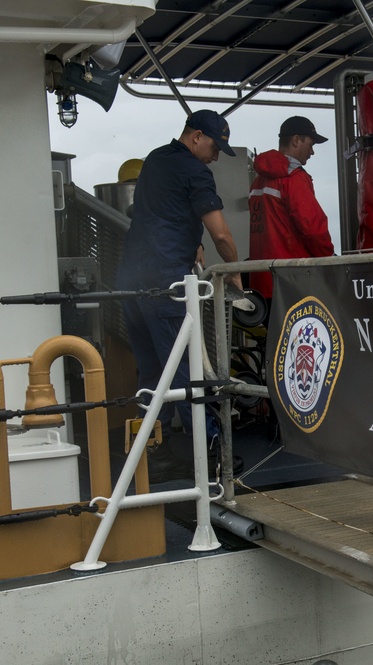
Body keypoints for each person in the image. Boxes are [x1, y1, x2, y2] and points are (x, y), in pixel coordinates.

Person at [116, 109, 244, 481]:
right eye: (215, 147)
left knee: (151, 375)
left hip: (130, 282)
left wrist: (193, 245)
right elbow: (221, 233)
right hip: (166, 284)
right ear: (196, 137)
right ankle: (212, 460)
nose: (216, 155)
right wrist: (233, 272)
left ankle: (148, 456)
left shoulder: (156, 159)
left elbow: (162, 214)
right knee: (188, 374)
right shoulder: (194, 171)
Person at [248, 116, 335, 300]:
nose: (312, 152)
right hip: (293, 283)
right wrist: (329, 260)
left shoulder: (258, 181)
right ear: (296, 140)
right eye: (310, 144)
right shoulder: (294, 178)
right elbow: (313, 229)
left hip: (262, 283)